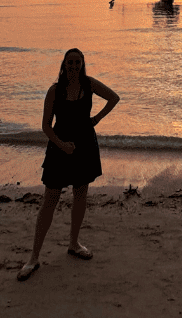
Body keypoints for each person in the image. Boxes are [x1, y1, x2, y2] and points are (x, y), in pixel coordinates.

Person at [18, 48, 120, 282]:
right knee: (50, 200)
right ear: (64, 65)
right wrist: (62, 145)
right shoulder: (55, 90)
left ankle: (74, 244)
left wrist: (96, 119)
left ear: (82, 64)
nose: (74, 66)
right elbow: (45, 126)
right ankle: (33, 258)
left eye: (78, 62)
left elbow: (114, 98)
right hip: (59, 147)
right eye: (70, 62)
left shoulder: (90, 84)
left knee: (81, 194)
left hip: (85, 146)